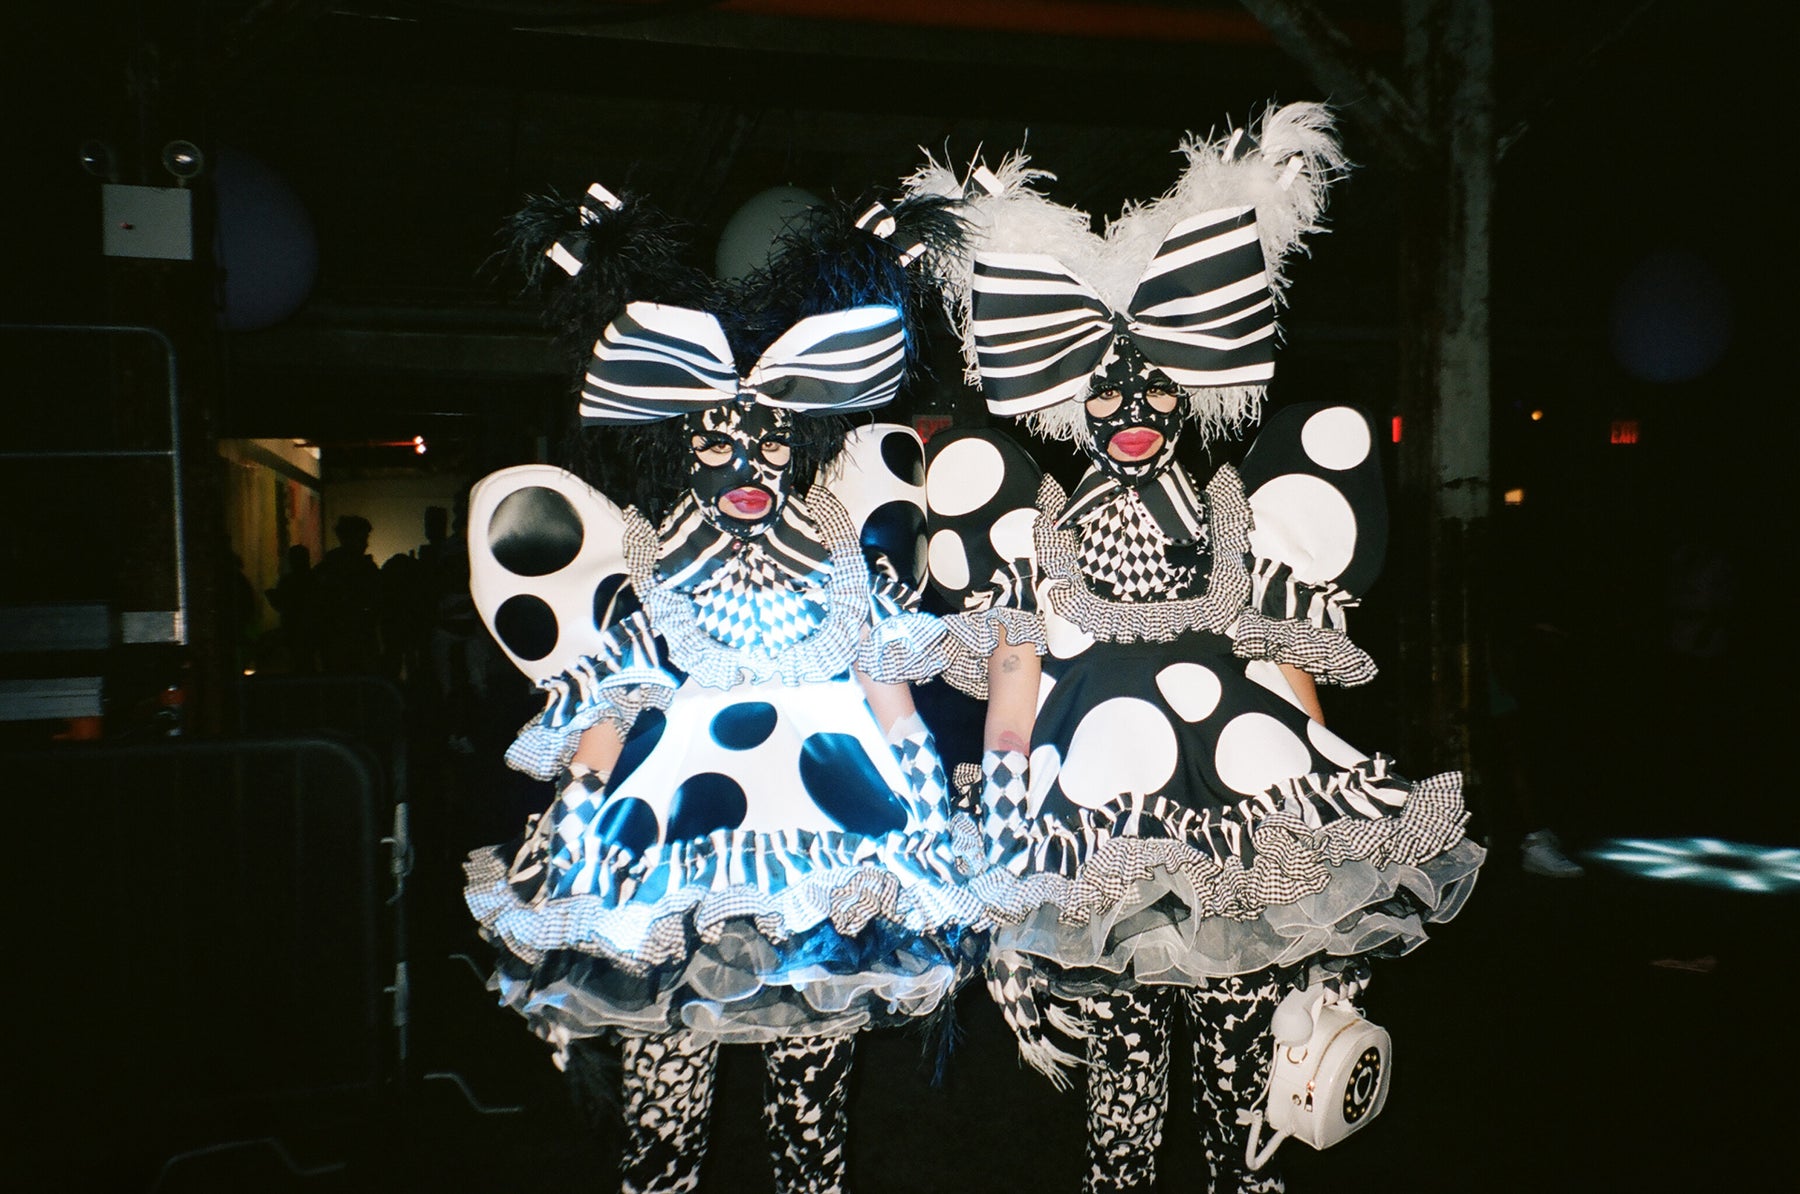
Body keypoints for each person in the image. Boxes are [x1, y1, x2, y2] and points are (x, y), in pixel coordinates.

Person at [908, 104, 1485, 1192]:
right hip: (1094, 823)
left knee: (1239, 1090)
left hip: (1241, 809)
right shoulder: (1032, 531)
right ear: (1075, 403)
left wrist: (1336, 859)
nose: (1131, 402)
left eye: (1155, 381)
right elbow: (1014, 692)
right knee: (1122, 1099)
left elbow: (1287, 670)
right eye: (1109, 386)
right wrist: (1002, 907)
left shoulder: (1242, 512)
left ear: (1189, 394)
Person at [461, 181, 992, 1193]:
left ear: (803, 442)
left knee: (813, 1105)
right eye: (717, 436)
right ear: (680, 446)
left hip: (839, 836)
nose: (748, 457)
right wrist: (574, 828)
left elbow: (889, 692)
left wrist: (924, 807)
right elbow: (612, 708)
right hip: (674, 845)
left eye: (772, 435)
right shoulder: (647, 563)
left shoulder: (846, 555)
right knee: (667, 1101)